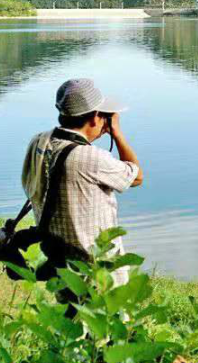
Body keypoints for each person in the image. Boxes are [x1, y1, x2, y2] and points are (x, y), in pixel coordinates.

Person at [21, 78, 144, 285]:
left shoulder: (39, 142)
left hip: (59, 259)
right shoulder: (91, 158)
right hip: (95, 267)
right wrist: (117, 133)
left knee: (68, 314)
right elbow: (136, 176)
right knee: (106, 316)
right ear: (96, 117)